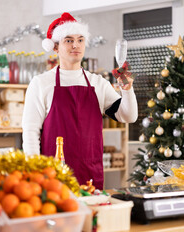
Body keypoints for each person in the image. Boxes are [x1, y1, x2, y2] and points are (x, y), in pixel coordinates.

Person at [22, 12, 138, 190]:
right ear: (55, 47)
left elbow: (128, 116)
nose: (75, 45)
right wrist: (35, 174)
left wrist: (127, 89)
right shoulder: (41, 83)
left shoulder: (98, 83)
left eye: (80, 40)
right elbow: (30, 133)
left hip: (90, 176)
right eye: (68, 40)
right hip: (53, 177)